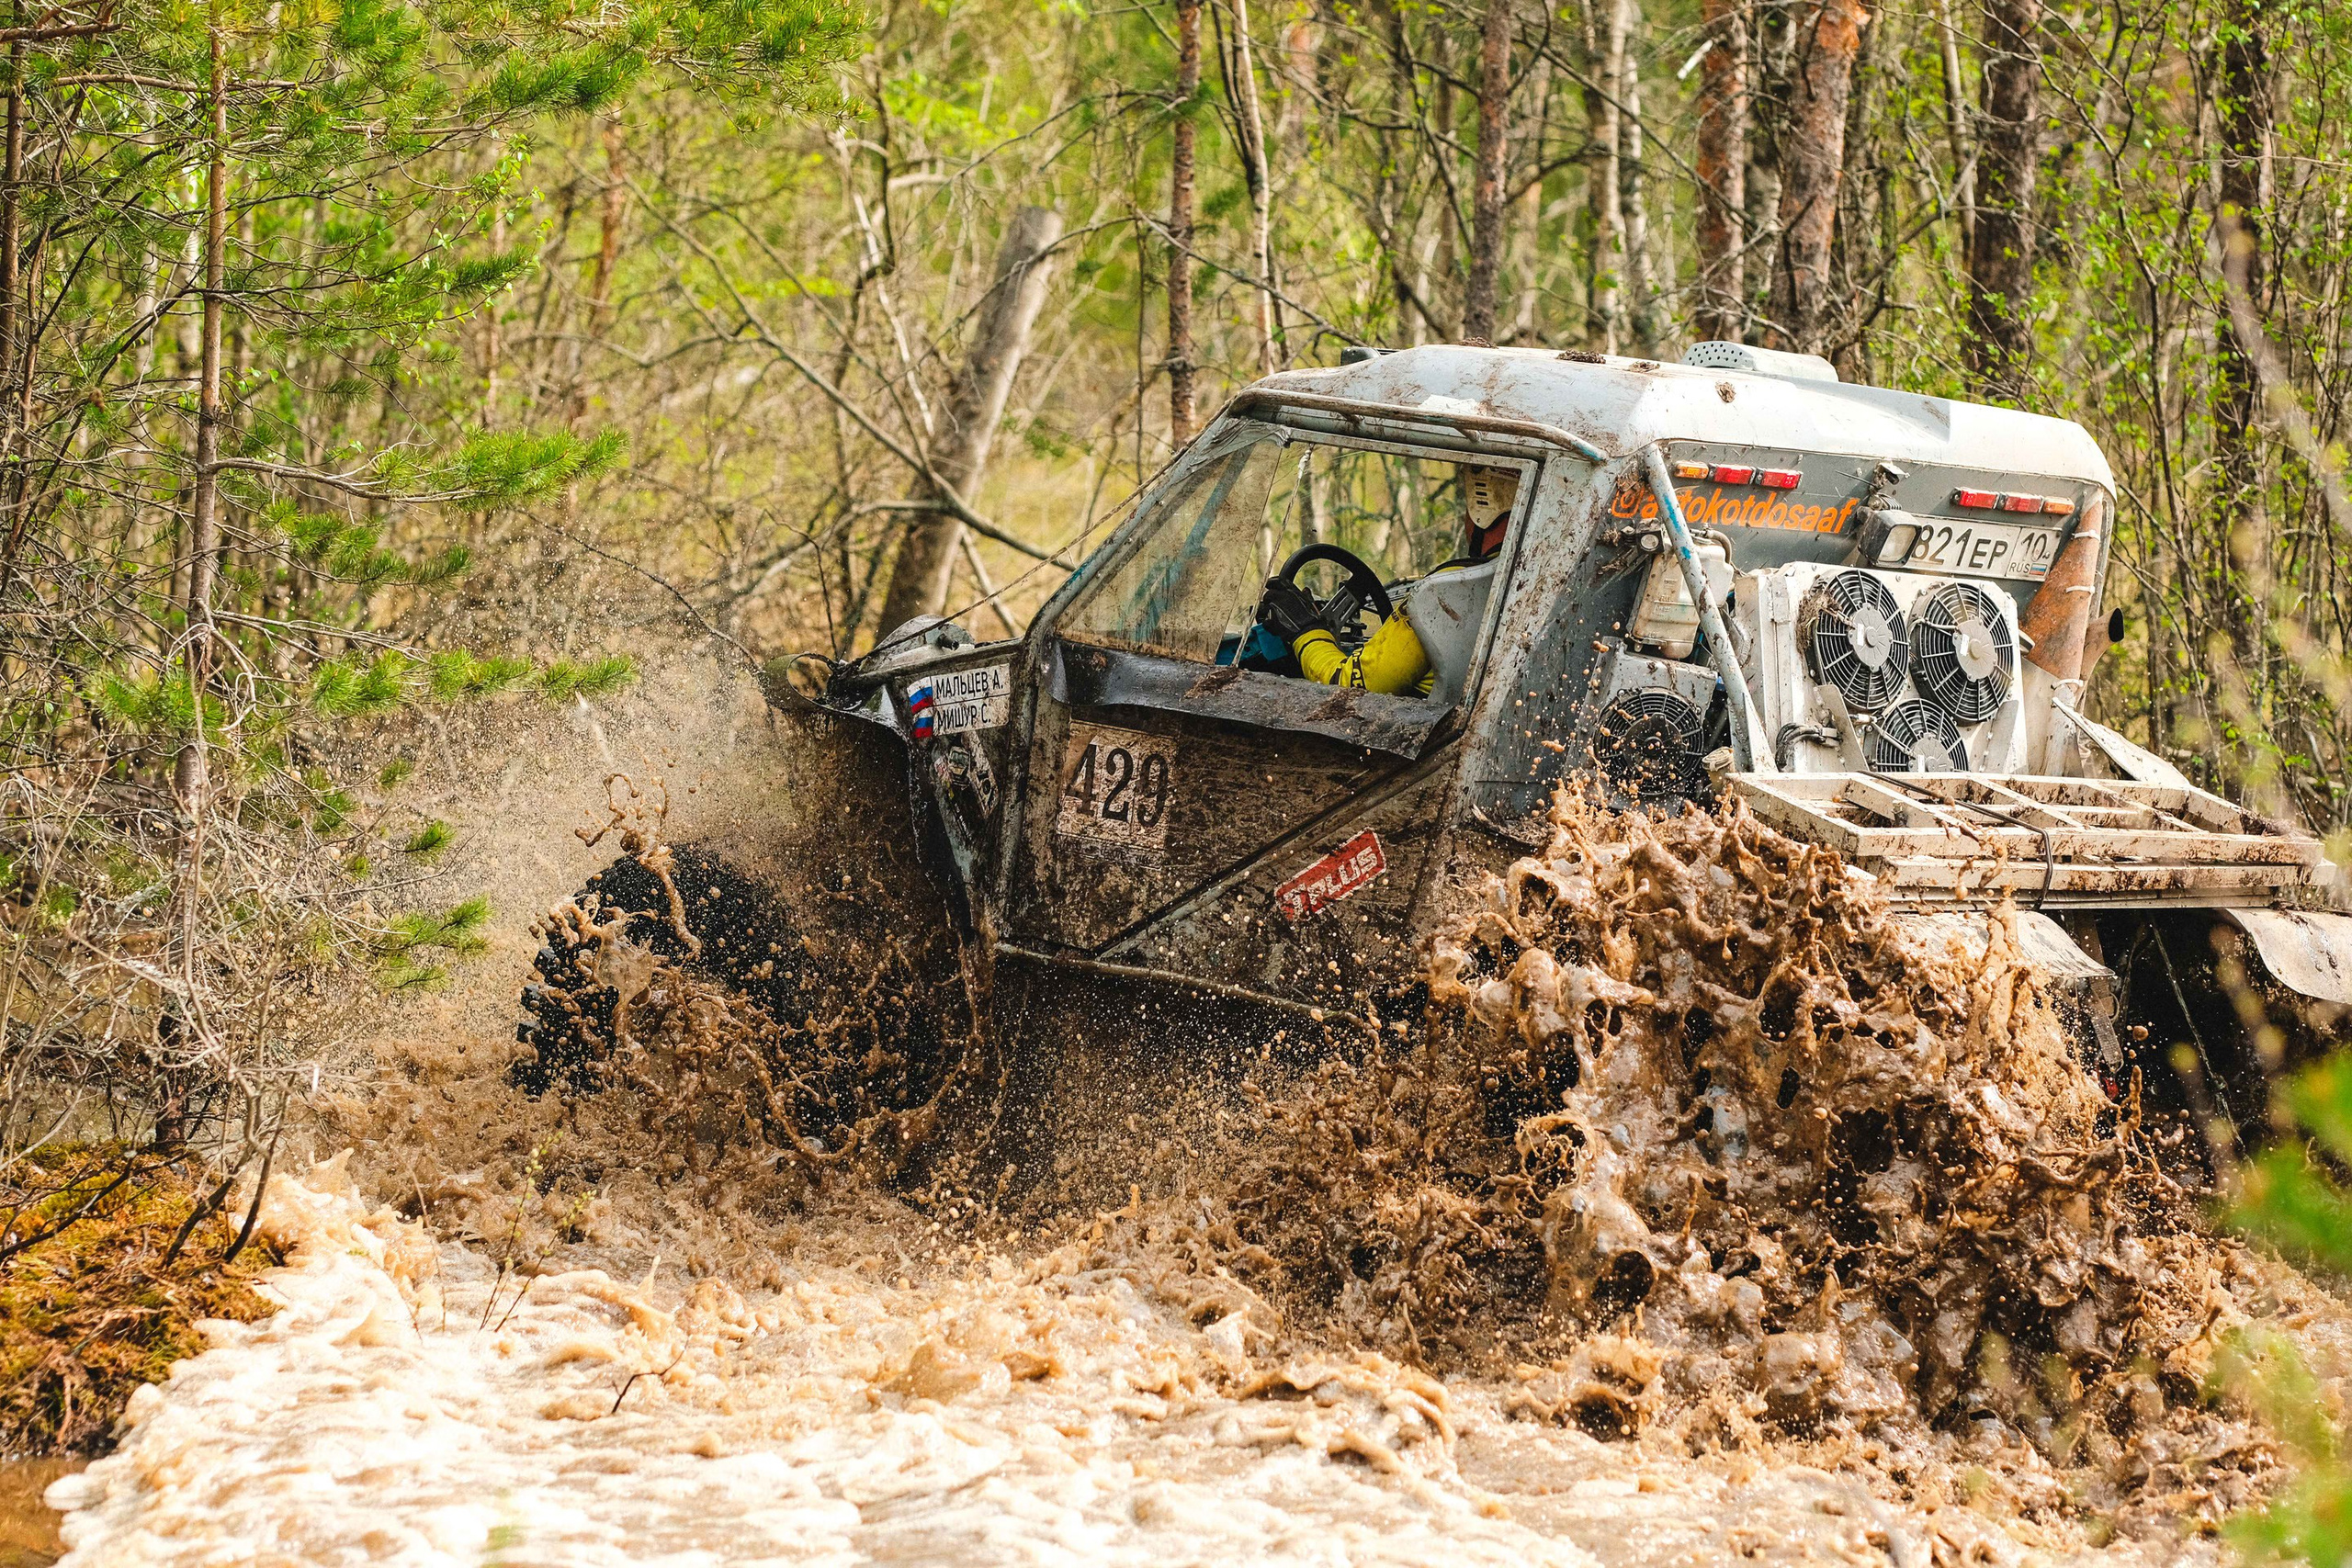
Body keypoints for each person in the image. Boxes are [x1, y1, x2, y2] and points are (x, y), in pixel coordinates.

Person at [1252, 466, 1519, 696]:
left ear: (1482, 509)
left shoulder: (1445, 593)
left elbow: (1352, 688)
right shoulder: (1518, 580)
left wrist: (1305, 630)